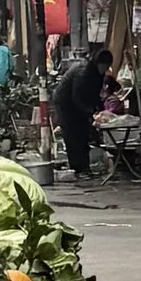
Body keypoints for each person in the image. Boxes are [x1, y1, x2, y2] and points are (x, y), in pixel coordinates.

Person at [52, 39, 108, 179]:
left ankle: (84, 167)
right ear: (98, 63)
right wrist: (89, 112)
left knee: (83, 134)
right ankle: (77, 168)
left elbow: (95, 94)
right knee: (72, 134)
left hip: (79, 104)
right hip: (65, 102)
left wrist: (100, 109)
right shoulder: (83, 71)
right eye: (104, 66)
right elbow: (76, 96)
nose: (105, 70)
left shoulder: (97, 74)